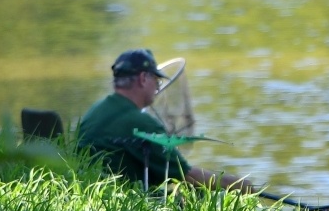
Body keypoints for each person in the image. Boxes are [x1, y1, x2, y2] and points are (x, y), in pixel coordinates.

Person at [76, 49, 256, 192]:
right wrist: (239, 185)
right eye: (156, 80)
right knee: (197, 192)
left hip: (96, 192)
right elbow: (187, 175)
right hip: (119, 203)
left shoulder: (96, 111)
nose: (157, 86)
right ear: (143, 78)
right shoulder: (141, 123)